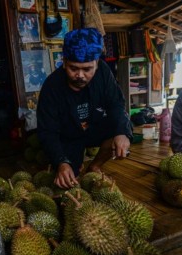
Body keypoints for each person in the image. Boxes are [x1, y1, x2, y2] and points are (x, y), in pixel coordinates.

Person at [37, 28, 133, 189]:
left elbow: (115, 103)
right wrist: (61, 162)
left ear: (96, 64)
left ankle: (95, 166)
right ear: (64, 62)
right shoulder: (51, 86)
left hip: (94, 127)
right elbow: (47, 131)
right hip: (68, 136)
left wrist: (121, 132)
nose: (80, 75)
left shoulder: (103, 71)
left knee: (123, 128)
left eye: (87, 69)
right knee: (68, 180)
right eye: (73, 68)